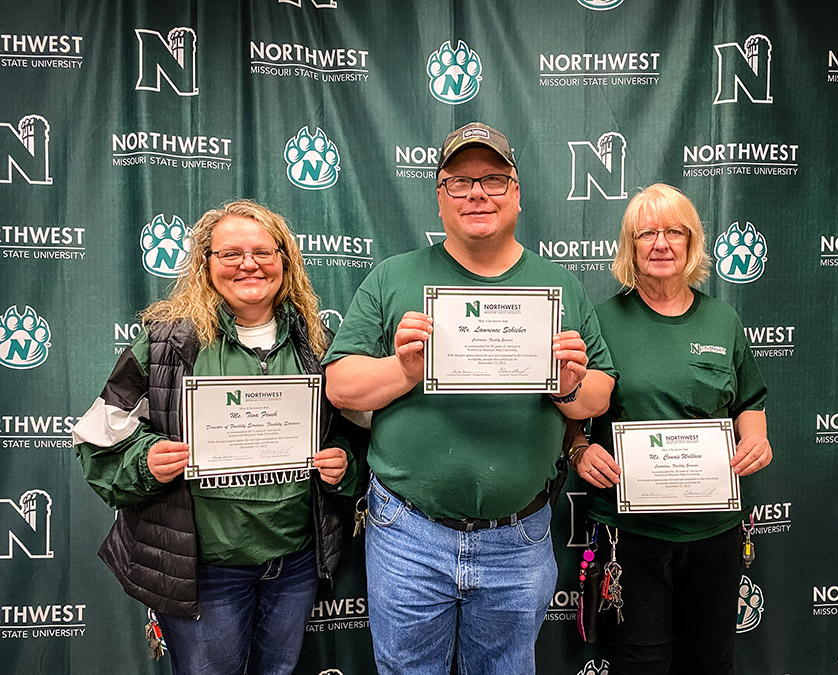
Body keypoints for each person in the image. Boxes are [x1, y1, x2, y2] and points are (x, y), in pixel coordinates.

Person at [323, 121, 618, 675]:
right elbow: (339, 385)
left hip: (519, 537)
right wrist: (405, 369)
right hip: (408, 533)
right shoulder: (393, 278)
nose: (477, 193)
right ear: (439, 198)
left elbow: (598, 394)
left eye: (493, 179)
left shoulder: (560, 286)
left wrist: (566, 387)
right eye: (459, 182)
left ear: (517, 194)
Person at [72, 199, 360, 675]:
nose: (249, 264)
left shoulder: (319, 343)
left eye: (264, 252)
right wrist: (146, 461)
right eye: (230, 254)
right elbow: (98, 438)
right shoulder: (168, 344)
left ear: (285, 263)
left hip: (294, 564)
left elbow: (356, 435)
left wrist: (343, 464)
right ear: (206, 264)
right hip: (204, 571)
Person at [572, 184, 773, 674]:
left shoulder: (723, 320)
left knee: (709, 663)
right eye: (647, 234)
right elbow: (567, 408)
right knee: (638, 665)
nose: (661, 244)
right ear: (630, 247)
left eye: (673, 232)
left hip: (714, 533)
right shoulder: (602, 321)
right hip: (630, 535)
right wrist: (579, 449)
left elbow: (749, 401)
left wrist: (756, 437)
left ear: (691, 243)